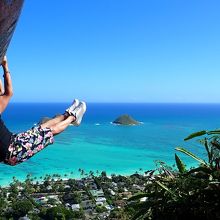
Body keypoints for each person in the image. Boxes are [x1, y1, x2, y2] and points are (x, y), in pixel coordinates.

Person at [0, 56, 86, 166]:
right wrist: (5, 65)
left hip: (14, 140)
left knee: (42, 127)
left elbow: (3, 91)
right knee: (50, 132)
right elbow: (8, 93)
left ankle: (66, 114)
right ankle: (73, 117)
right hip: (13, 153)